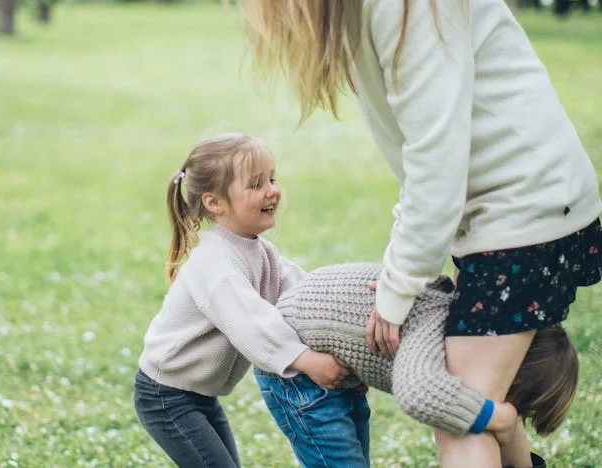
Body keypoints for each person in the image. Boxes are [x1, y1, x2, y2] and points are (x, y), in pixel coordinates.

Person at [238, 1, 602, 466]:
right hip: (518, 212)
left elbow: (436, 162)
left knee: (461, 417)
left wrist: (398, 287)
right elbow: (425, 165)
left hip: (519, 214)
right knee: (476, 407)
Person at [133, 133, 349, 468]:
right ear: (214, 203)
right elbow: (251, 324)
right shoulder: (215, 263)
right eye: (256, 184)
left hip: (199, 395)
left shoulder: (257, 250)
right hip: (166, 396)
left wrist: (347, 302)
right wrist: (307, 361)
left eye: (272, 179)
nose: (272, 190)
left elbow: (300, 292)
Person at [256, 262, 577, 468]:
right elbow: (419, 394)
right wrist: (496, 415)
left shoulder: (469, 326)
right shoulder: (434, 328)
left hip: (338, 367)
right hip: (299, 366)